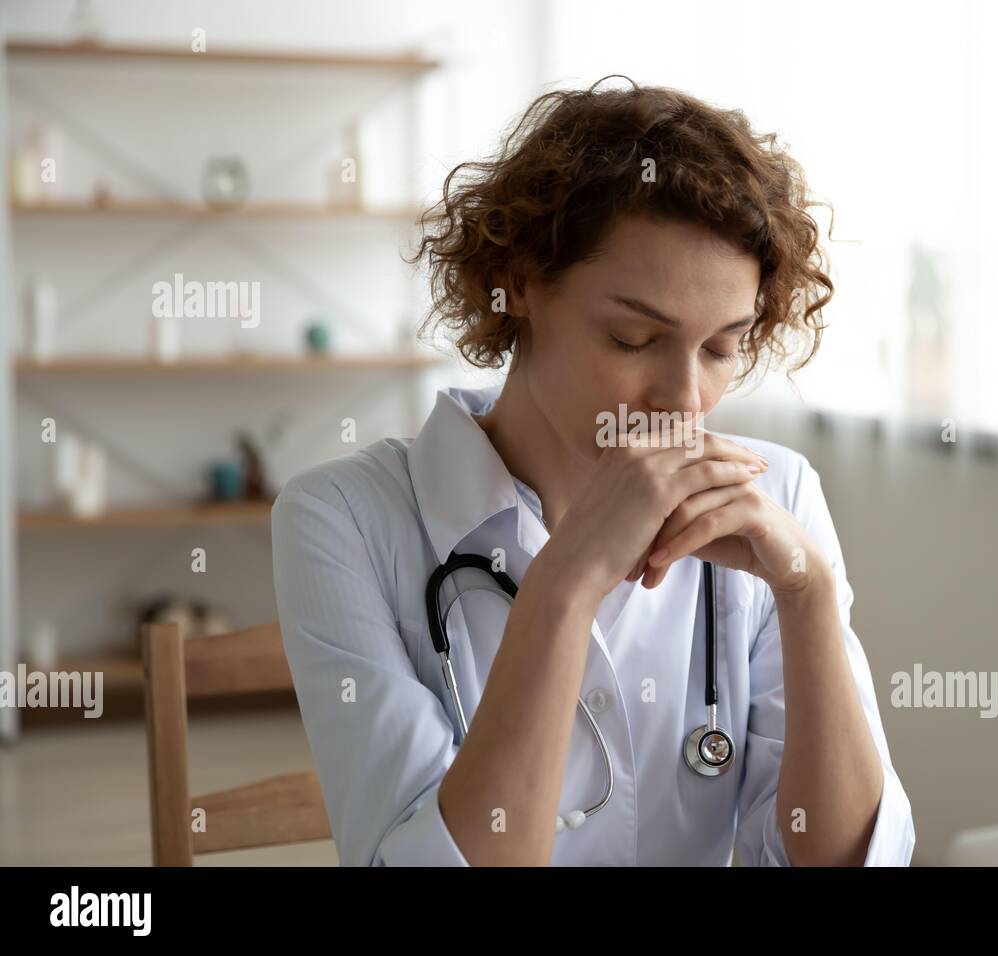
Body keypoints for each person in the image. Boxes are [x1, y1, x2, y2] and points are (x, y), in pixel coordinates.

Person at [271, 77, 915, 867]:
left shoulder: (776, 494)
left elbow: (843, 861)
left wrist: (809, 600)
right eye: (634, 339)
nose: (686, 399)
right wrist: (563, 585)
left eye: (721, 349)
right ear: (523, 289)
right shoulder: (343, 520)